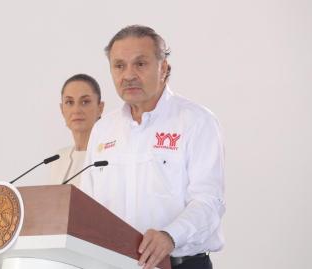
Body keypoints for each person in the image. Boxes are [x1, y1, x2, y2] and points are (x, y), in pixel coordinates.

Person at [81, 25, 225, 269]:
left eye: (140, 64)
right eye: (119, 66)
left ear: (164, 69)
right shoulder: (103, 130)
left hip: (181, 264)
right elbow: (88, 207)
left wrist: (170, 236)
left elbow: (209, 202)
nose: (128, 75)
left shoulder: (196, 122)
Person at [49, 74, 104, 186]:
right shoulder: (58, 158)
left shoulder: (109, 155)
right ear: (62, 109)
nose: (76, 110)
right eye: (69, 102)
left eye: (85, 102)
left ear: (100, 108)